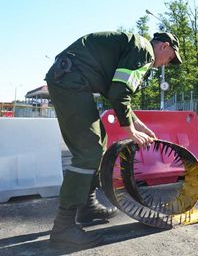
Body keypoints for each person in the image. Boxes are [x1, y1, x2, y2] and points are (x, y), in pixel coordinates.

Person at [45, 31, 182, 248]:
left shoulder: (136, 47)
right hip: (71, 82)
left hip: (72, 79)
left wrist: (137, 124)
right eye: (170, 57)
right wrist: (130, 131)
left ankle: (87, 207)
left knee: (99, 141)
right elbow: (119, 93)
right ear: (164, 46)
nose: (166, 64)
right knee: (88, 151)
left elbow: (113, 91)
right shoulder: (144, 51)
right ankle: (63, 228)